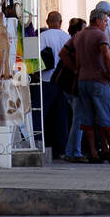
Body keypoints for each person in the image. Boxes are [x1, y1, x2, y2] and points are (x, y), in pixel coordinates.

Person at [72, 8, 110, 163]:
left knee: (87, 118)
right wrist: (109, 73)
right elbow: (106, 54)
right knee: (107, 116)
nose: (107, 24)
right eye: (105, 21)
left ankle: (93, 152)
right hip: (98, 80)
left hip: (83, 80)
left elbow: (74, 57)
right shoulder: (101, 35)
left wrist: (77, 70)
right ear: (97, 20)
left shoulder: (80, 36)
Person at [39, 9, 72, 158]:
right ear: (60, 22)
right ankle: (62, 149)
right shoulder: (67, 37)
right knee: (62, 115)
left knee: (42, 113)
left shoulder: (43, 36)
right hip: (63, 80)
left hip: (46, 79)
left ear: (47, 22)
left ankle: (40, 143)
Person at [60, 18, 86, 162]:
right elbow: (65, 55)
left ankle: (71, 150)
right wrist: (75, 69)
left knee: (77, 117)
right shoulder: (78, 40)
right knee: (78, 118)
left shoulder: (73, 40)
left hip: (67, 84)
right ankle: (74, 151)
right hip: (73, 84)